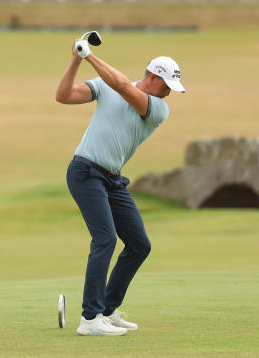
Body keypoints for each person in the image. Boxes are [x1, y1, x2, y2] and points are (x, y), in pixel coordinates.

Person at [55, 41, 185, 337]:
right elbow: (62, 96)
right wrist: (76, 60)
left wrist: (90, 56)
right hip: (85, 172)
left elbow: (124, 86)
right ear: (152, 77)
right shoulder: (105, 85)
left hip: (112, 179)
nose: (168, 93)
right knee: (105, 239)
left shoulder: (157, 109)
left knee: (139, 245)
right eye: (166, 85)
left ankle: (108, 309)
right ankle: (90, 319)